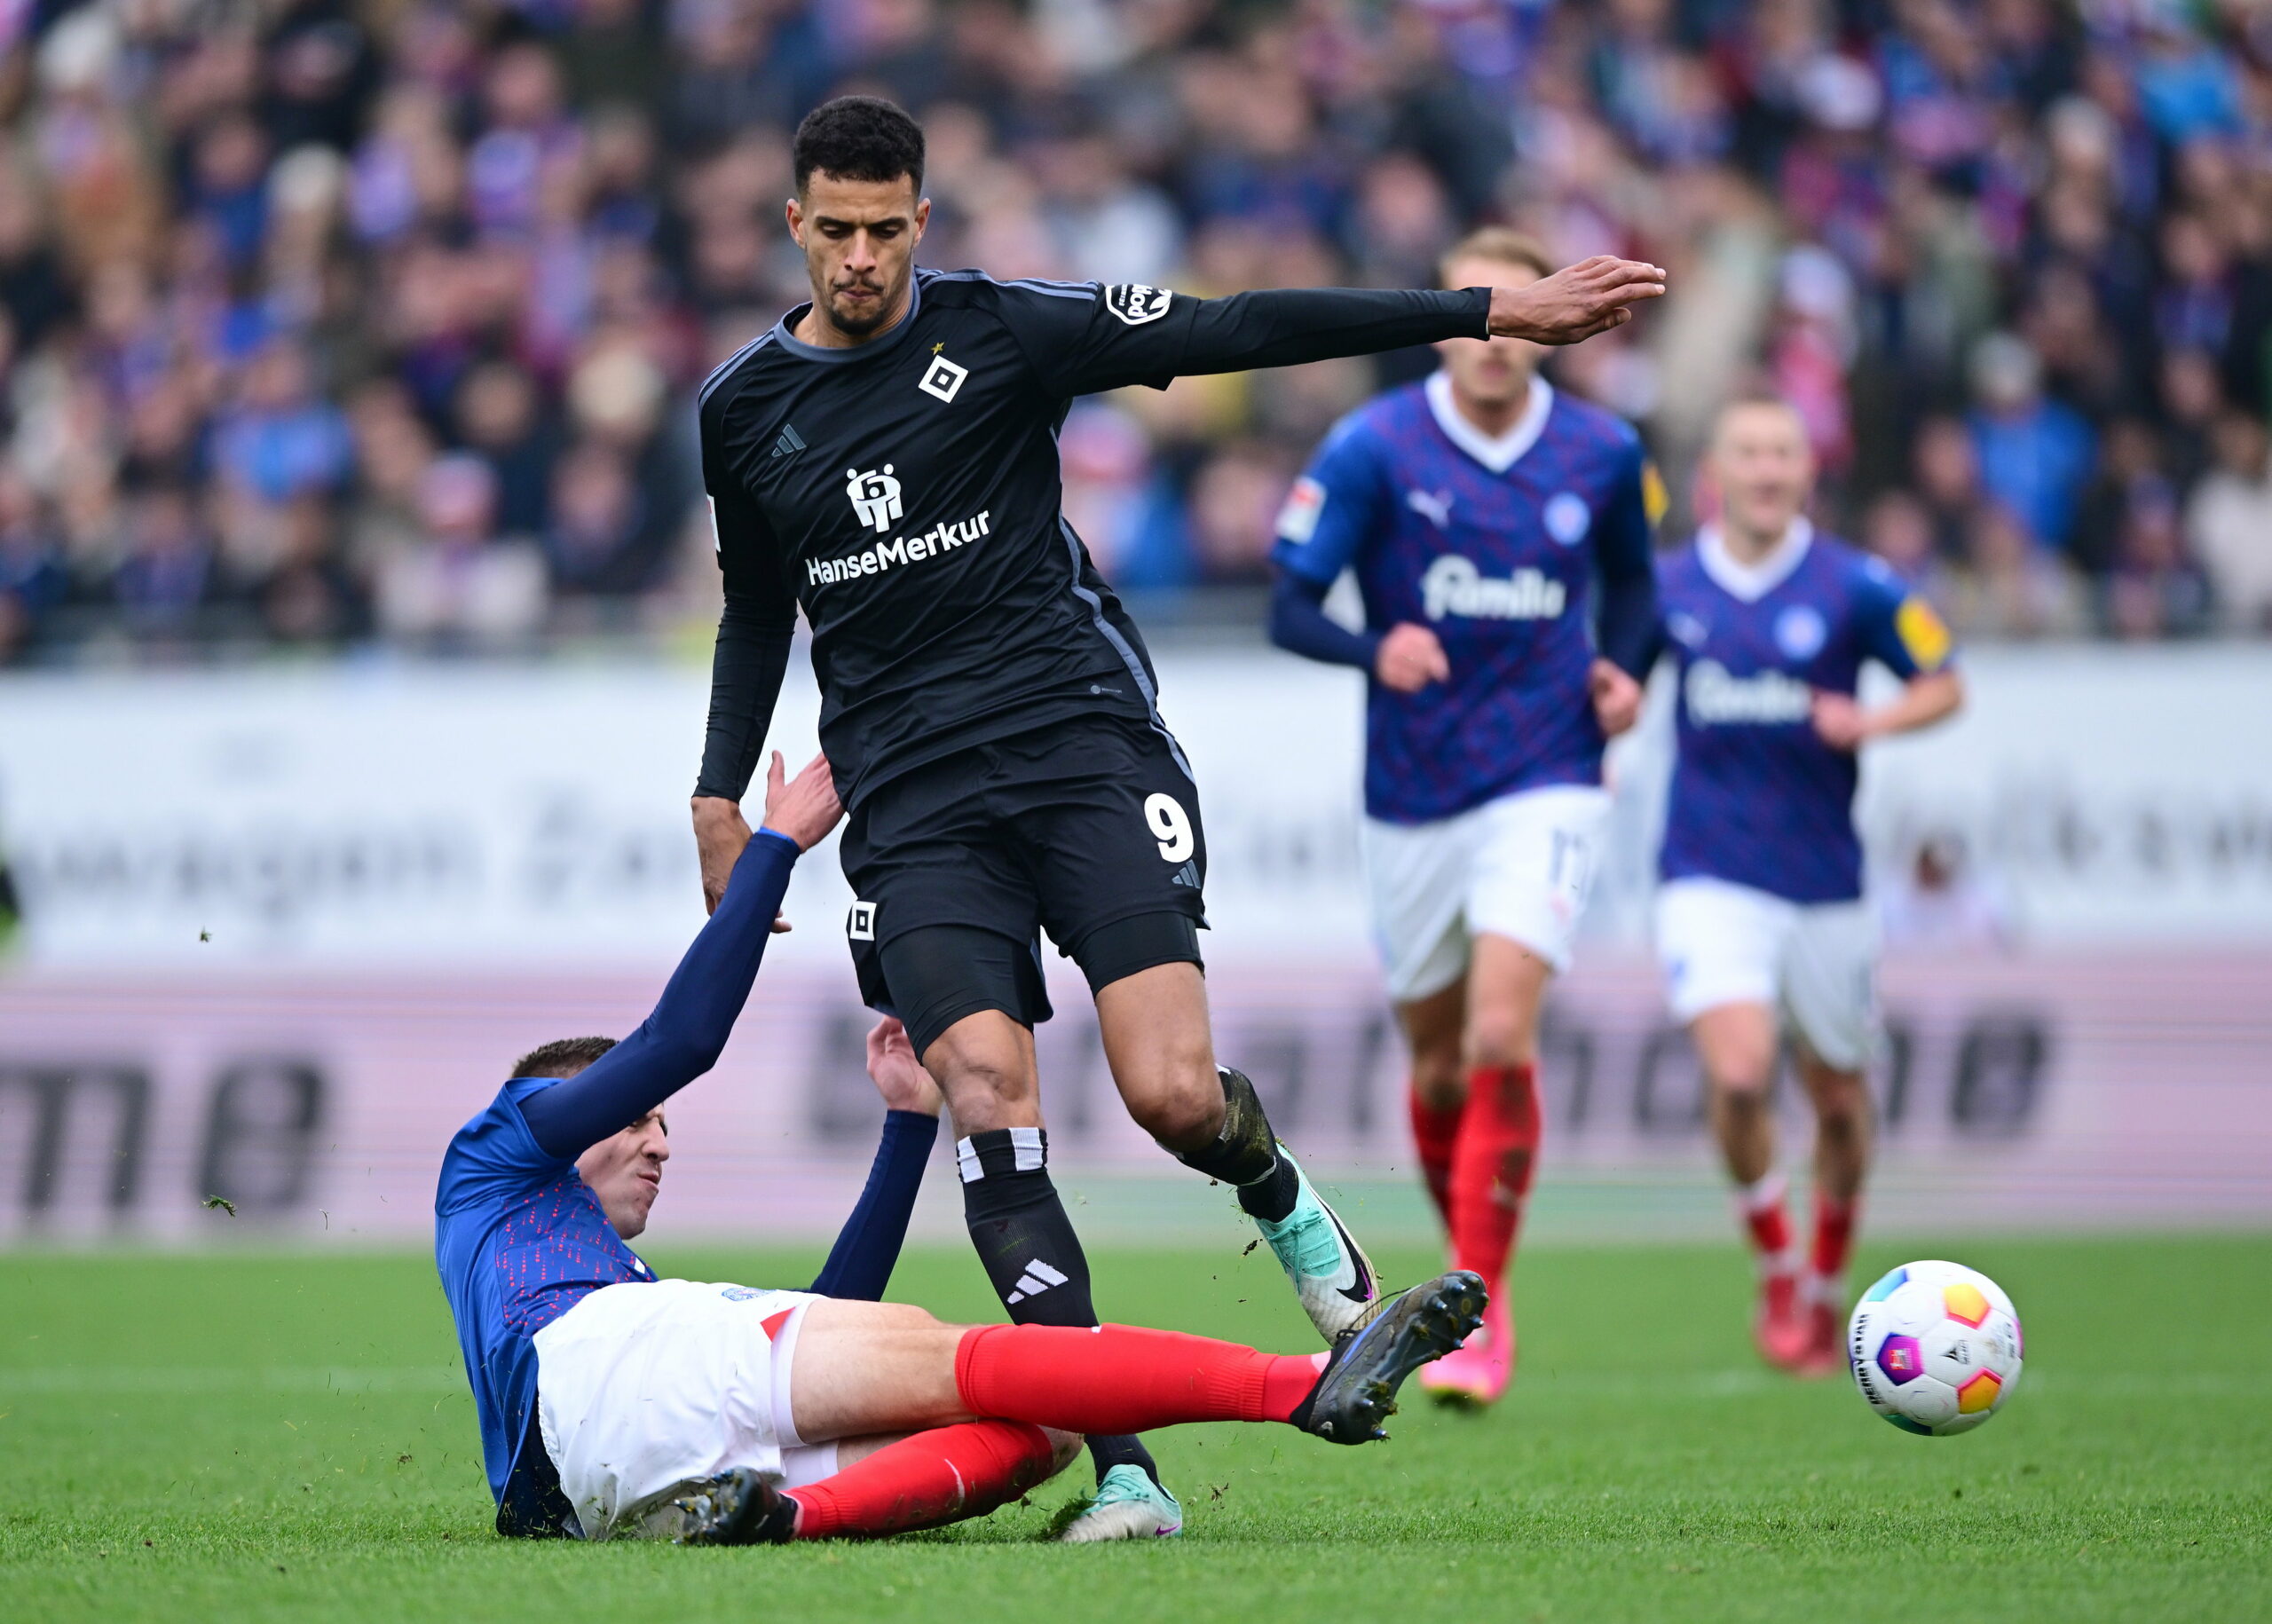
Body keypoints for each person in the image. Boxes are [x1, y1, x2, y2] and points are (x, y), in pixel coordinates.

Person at [686, 94, 1663, 1531]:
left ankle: (1277, 1196)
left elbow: (1238, 326)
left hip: (1080, 746)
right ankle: (1126, 1472)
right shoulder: (744, 409)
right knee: (985, 1096)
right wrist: (722, 793)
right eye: (833, 233)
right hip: (909, 798)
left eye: (885, 232)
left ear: (921, 221)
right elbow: (756, 611)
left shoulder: (1003, 328)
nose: (859, 261)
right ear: (794, 224)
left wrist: (1485, 304)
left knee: (1169, 1095)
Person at [433, 747, 1487, 1544]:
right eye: (632, 1121)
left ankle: (781, 1518)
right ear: (553, 1111)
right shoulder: (497, 1152)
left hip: (585, 1486)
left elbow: (822, 1314)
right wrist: (776, 847)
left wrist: (905, 1123)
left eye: (661, 1127)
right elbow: (683, 1039)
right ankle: (1304, 1383)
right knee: (974, 1358)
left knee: (1050, 1429)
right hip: (598, 1385)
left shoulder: (581, 1269)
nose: (658, 1145)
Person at [1264, 228, 1661, 1408]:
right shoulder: (1374, 445)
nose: (1498, 336)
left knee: (1499, 1035)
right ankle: (1470, 1252)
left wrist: (1627, 666)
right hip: (1414, 791)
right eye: (1484, 307)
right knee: (1439, 1064)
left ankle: (1481, 1296)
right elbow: (1290, 599)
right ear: (1456, 316)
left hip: (1549, 771)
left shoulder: (1602, 450)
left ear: (1552, 321)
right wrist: (1369, 642)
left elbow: (1639, 587)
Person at [1652, 395, 1964, 1376]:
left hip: (1824, 883)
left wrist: (1870, 724)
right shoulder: (1667, 586)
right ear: (1717, 470)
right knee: (1740, 1072)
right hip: (1705, 872)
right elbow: (1605, 676)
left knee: (1835, 1095)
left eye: (1782, 452)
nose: (1765, 469)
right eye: (1747, 451)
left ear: (1806, 470)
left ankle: (1828, 1284)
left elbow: (1943, 679)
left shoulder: (1854, 586)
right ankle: (1779, 1268)